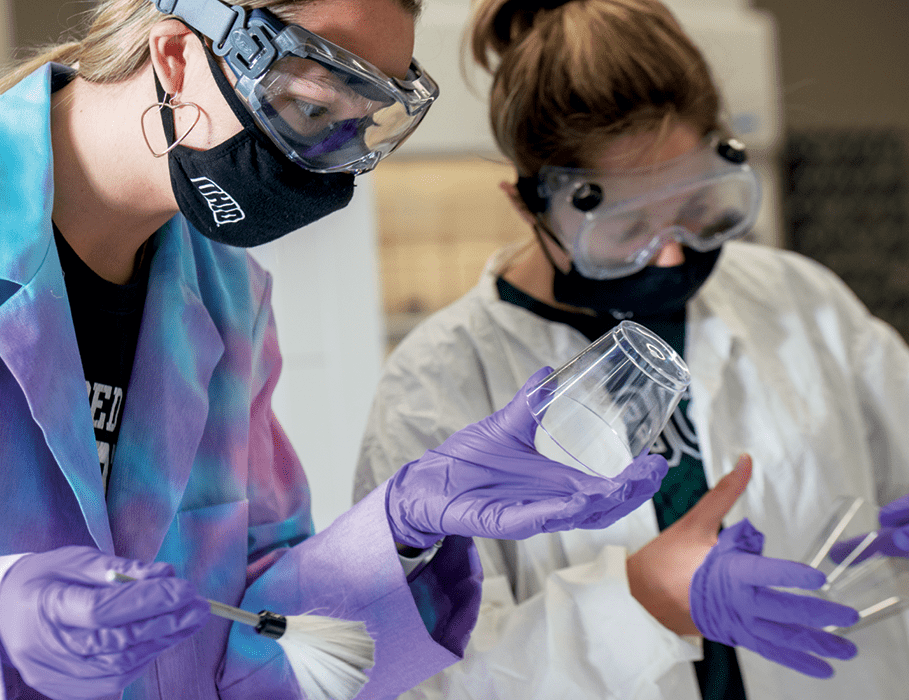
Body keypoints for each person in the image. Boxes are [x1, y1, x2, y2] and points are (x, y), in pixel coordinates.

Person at [0, 0, 671, 698]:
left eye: (357, 126)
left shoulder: (230, 294)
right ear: (176, 57)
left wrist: (402, 526)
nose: (326, 166)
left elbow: (256, 636)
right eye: (310, 109)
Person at [354, 0, 909, 698]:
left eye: (695, 207)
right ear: (527, 205)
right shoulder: (438, 385)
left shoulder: (799, 300)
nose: (672, 250)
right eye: (627, 226)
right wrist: (640, 601)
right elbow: (422, 678)